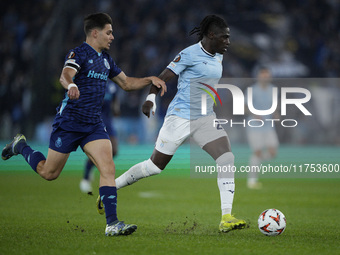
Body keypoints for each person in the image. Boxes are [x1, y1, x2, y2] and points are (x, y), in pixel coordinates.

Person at [2, 13, 166, 236]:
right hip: (69, 122)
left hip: (93, 125)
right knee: (49, 173)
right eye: (109, 32)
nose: (113, 36)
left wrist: (150, 79)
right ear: (95, 33)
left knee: (108, 167)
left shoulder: (107, 59)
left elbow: (126, 83)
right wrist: (70, 85)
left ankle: (112, 224)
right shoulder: (78, 53)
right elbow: (65, 75)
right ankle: (21, 146)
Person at [97, 15, 247, 233]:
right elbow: (161, 78)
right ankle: (111, 188)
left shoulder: (218, 55)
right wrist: (150, 99)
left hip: (205, 118)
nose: (228, 42)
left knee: (226, 158)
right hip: (180, 117)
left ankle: (226, 217)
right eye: (225, 38)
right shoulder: (189, 54)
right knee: (154, 167)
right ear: (211, 35)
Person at [80, 79, 120, 194]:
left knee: (115, 151)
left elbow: (115, 98)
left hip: (108, 120)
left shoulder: (112, 85)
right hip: (96, 119)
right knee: (100, 152)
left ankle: (91, 165)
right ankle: (86, 179)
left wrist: (116, 107)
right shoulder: (92, 81)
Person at [246, 67, 279, 189]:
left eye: (267, 75)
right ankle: (252, 181)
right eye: (263, 75)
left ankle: (255, 159)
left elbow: (274, 105)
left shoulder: (273, 89)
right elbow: (245, 106)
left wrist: (276, 113)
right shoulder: (252, 90)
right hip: (254, 126)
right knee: (258, 152)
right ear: (259, 76)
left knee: (272, 153)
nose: (266, 77)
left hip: (269, 125)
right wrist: (255, 114)